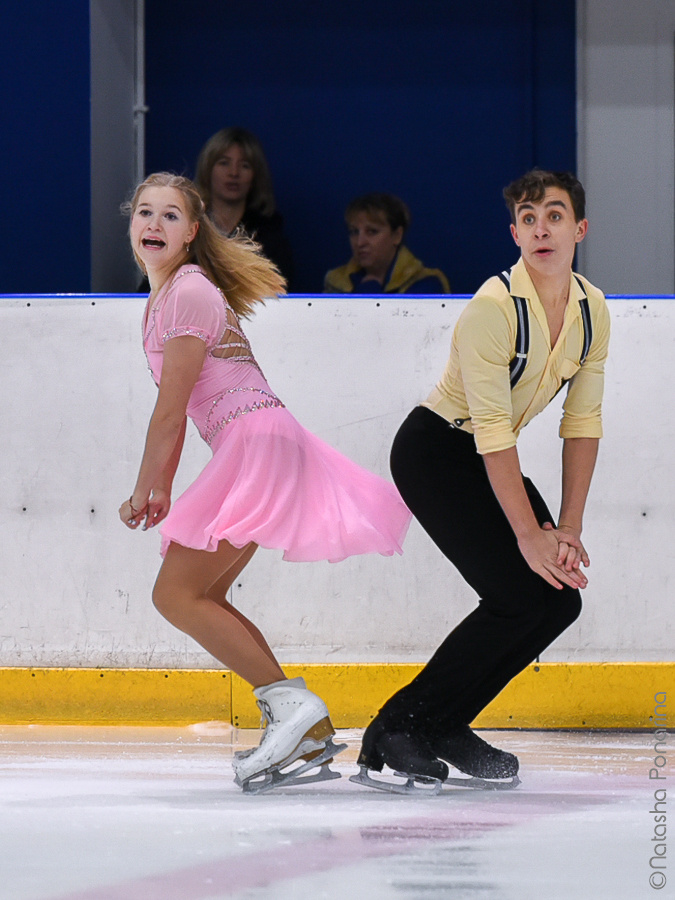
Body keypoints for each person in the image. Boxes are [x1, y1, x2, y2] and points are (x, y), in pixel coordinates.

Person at [119, 172, 411, 793]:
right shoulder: (169, 294)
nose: (154, 224)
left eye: (171, 216)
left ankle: (294, 712)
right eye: (145, 212)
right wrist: (165, 487)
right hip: (255, 441)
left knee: (176, 594)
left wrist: (146, 486)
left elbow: (170, 411)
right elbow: (184, 407)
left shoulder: (189, 290)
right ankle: (294, 720)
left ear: (193, 231)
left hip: (256, 441)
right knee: (201, 594)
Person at [351, 169, 610, 793]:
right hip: (437, 451)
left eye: (553, 215)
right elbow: (494, 433)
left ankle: (441, 724)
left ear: (579, 228)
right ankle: (396, 728)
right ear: (514, 232)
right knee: (519, 592)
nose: (540, 228)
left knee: (559, 599)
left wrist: (566, 528)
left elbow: (582, 425)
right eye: (527, 217)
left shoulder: (591, 311)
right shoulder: (494, 308)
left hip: (487, 458)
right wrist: (528, 533)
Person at [195, 127, 294, 287]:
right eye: (224, 163)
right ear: (207, 170)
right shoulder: (187, 229)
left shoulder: (270, 236)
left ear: (255, 176)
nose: (234, 173)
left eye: (245, 165)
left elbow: (279, 293)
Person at [323, 193, 449, 294]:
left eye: (372, 231)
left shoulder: (426, 284)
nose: (360, 242)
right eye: (354, 232)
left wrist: (370, 292)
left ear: (397, 236)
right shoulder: (336, 283)